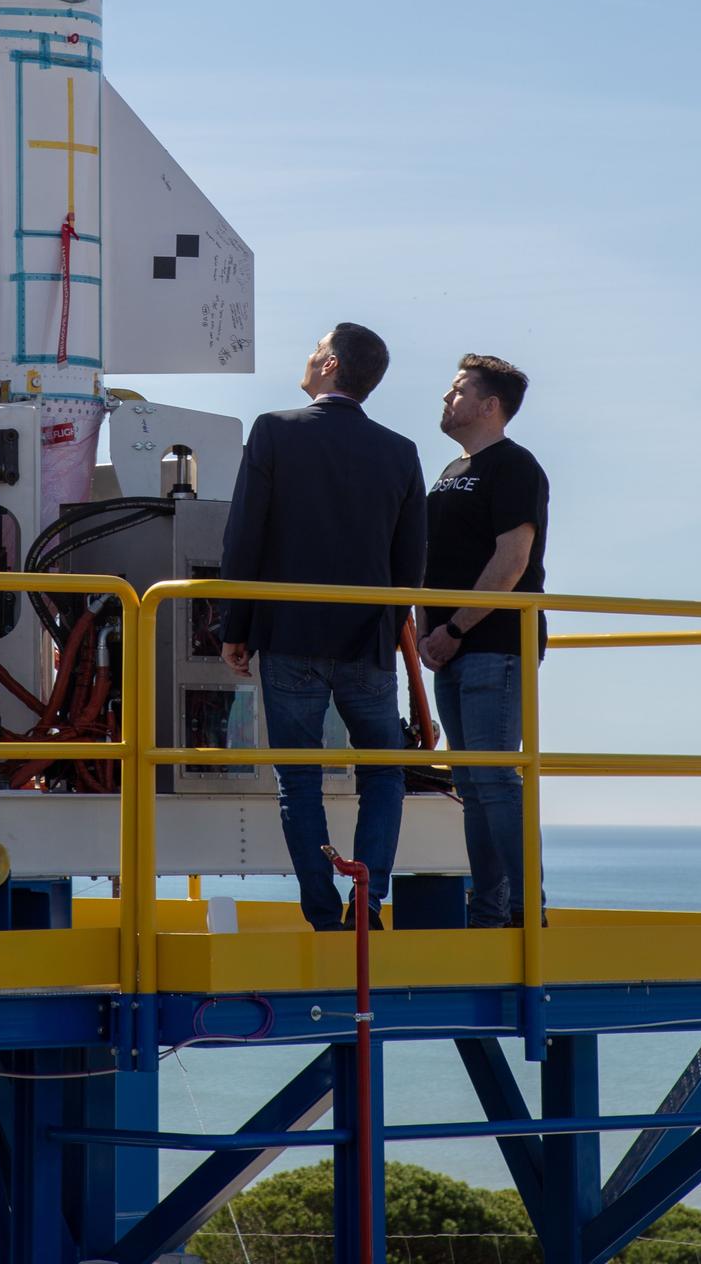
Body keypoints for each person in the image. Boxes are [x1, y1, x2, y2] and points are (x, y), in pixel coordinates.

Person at [219, 324, 427, 931]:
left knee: (299, 780)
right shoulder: (401, 451)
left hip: (288, 633)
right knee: (384, 774)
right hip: (368, 642)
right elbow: (410, 564)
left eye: (314, 348)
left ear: (331, 363)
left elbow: (245, 536)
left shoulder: (275, 431)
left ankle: (321, 911)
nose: (308, 357)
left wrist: (236, 625)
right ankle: (369, 902)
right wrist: (389, 633)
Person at [417, 354, 549, 929]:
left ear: (489, 405)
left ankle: (523, 910)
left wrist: (453, 628)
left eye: (458, 390)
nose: (447, 399)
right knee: (471, 783)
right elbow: (429, 562)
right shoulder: (448, 471)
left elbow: (511, 560)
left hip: (494, 643)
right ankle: (489, 911)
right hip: (450, 648)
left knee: (494, 777)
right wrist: (425, 631)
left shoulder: (515, 467)